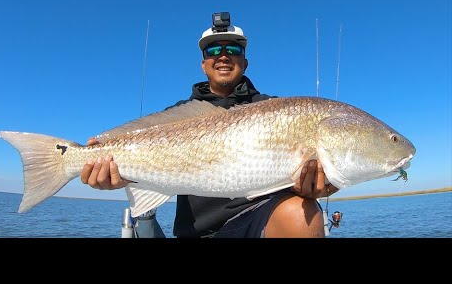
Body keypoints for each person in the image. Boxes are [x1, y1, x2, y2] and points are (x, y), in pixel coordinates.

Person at [81, 12, 339, 238]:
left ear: (245, 62)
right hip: (194, 230)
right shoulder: (177, 115)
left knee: (302, 213)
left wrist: (310, 189)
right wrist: (107, 168)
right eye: (213, 50)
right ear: (203, 64)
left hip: (259, 221)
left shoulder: (278, 110)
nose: (223, 56)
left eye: (233, 49)